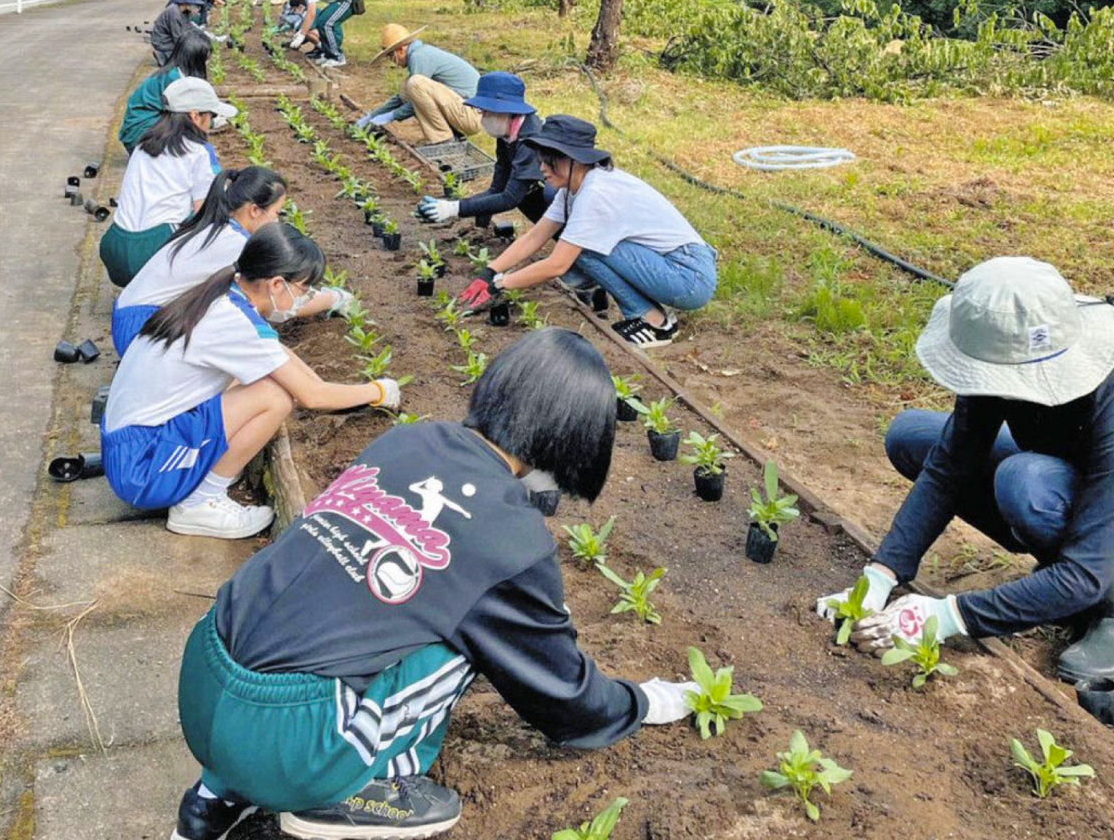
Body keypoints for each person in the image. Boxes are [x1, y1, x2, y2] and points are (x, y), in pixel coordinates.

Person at [168, 328, 699, 840]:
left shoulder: (408, 439)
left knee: (346, 583)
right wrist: (649, 701)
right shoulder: (511, 538)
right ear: (573, 438)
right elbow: (562, 695)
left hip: (204, 671)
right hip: (291, 740)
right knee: (463, 637)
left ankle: (214, 797)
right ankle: (352, 795)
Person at [817, 257, 1114, 687]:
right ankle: (1055, 578)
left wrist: (949, 615)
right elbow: (950, 465)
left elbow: (1085, 573)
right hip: (1088, 477)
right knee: (913, 437)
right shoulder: (1009, 346)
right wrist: (880, 575)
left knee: (1029, 484)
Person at [101, 223, 402, 542]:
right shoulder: (235, 323)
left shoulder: (223, 292)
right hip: (142, 468)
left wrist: (329, 384)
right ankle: (199, 504)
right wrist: (379, 391)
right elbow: (311, 396)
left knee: (258, 380)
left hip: (131, 446)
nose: (305, 299)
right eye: (303, 290)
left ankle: (202, 479)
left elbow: (283, 359)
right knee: (274, 397)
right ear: (276, 284)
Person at [458, 115, 718, 349]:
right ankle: (650, 316)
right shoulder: (575, 187)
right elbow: (535, 236)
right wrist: (490, 272)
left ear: (572, 158)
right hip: (676, 265)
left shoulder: (595, 194)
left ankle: (655, 324)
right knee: (578, 247)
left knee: (580, 249)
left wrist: (501, 284)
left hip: (689, 278)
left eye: (549, 160)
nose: (542, 168)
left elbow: (557, 265)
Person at [110, 166, 355, 356]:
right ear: (255, 211)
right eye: (277, 213)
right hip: (141, 330)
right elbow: (283, 300)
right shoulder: (237, 244)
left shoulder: (217, 225)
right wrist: (334, 299)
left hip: (132, 317)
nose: (278, 222)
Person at [100, 78, 233, 288]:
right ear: (195, 115)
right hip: (152, 250)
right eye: (211, 115)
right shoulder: (198, 152)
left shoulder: (144, 142)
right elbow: (204, 213)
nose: (211, 123)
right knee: (216, 228)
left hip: (115, 246)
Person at [414, 71, 549, 229]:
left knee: (531, 193)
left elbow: (510, 198)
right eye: (481, 111)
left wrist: (453, 209)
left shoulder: (530, 141)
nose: (483, 117)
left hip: (571, 201)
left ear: (508, 111)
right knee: (524, 192)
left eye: (488, 112)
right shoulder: (507, 136)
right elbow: (497, 190)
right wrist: (478, 225)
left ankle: (577, 247)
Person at [356, 23, 481, 144]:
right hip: (463, 109)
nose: (393, 61)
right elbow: (403, 98)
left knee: (415, 84)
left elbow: (416, 100)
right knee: (406, 88)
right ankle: (452, 134)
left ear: (401, 50)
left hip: (472, 115)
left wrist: (392, 116)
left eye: (391, 56)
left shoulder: (419, 56)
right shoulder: (420, 53)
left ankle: (443, 139)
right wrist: (372, 116)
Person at [118, 31, 211, 154]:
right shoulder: (174, 79)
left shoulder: (175, 71)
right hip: (140, 132)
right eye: (206, 58)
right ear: (195, 58)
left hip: (142, 127)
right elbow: (187, 117)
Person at [286, 0, 363, 68]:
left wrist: (302, 36)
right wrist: (301, 32)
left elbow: (311, 13)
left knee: (327, 23)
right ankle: (328, 55)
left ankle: (338, 58)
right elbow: (310, 17)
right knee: (321, 22)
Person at [150, 0, 205, 67]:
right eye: (196, 5)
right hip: (162, 41)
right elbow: (177, 38)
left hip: (169, 37)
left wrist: (202, 33)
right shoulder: (174, 13)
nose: (197, 8)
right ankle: (162, 55)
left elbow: (189, 26)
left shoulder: (184, 11)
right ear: (187, 3)